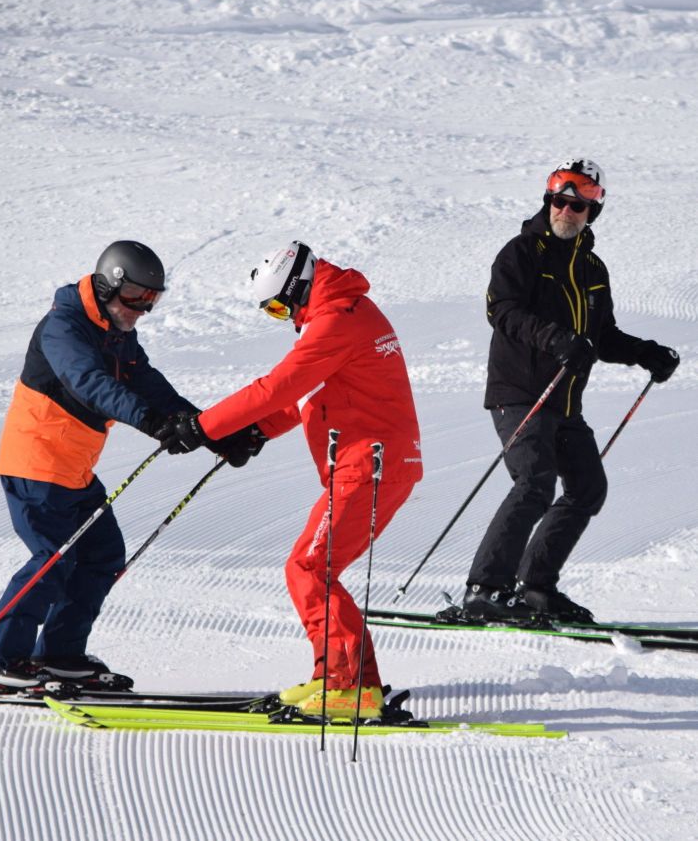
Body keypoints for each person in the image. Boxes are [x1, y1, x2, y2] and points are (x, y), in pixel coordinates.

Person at [156, 241, 423, 719]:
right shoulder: (345, 311)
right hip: (372, 463)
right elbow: (308, 393)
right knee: (315, 567)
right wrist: (255, 431)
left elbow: (280, 385)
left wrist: (204, 427)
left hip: (368, 465)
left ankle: (346, 688)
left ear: (299, 284)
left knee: (310, 567)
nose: (284, 317)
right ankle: (344, 680)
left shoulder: (338, 318)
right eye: (272, 312)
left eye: (281, 305)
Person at [0, 240, 247, 690]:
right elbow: (90, 384)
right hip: (36, 464)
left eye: (152, 301)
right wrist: (152, 421)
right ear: (107, 284)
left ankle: (60, 654)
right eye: (136, 298)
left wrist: (205, 429)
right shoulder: (64, 327)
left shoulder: (115, 331)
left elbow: (147, 382)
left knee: (102, 555)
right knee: (52, 560)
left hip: (75, 469)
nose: (142, 310)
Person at [454, 159, 680, 624]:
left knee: (587, 488)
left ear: (592, 211)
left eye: (578, 204)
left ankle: (535, 587)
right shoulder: (521, 252)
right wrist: (556, 339)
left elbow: (603, 336)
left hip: (565, 400)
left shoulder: (593, 268)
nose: (567, 210)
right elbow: (504, 311)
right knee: (534, 482)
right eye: (560, 200)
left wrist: (646, 353)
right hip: (519, 391)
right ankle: (484, 589)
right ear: (548, 200)